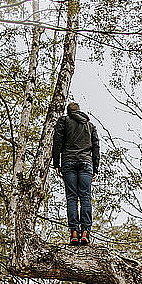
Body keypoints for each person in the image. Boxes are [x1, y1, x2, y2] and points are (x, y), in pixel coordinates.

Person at [52, 102, 100, 245]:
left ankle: (74, 232)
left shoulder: (64, 121)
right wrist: (95, 168)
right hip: (86, 163)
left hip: (68, 162)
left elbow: (57, 142)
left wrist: (56, 164)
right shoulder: (90, 126)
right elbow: (96, 147)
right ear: (79, 111)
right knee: (85, 197)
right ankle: (85, 232)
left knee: (72, 198)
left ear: (68, 112)